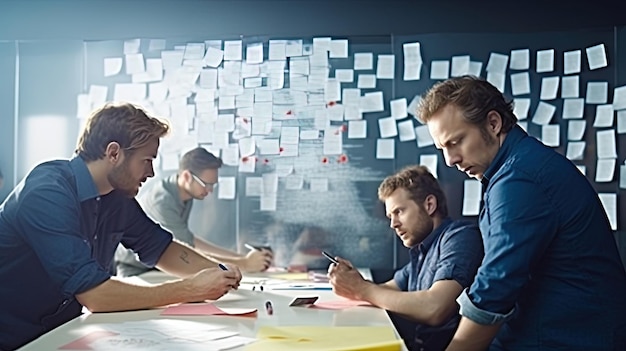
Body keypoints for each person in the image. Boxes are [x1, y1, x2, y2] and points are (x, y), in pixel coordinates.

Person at [0, 103, 242, 350]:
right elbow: (94, 295)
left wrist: (220, 272)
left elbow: (160, 248)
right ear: (114, 153)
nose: (150, 172)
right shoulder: (47, 193)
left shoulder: (116, 198)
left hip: (61, 333)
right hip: (15, 339)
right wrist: (189, 289)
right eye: (146, 160)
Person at [417, 75, 626, 350]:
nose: (450, 160)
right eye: (442, 148)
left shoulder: (520, 178)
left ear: (493, 123)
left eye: (456, 142)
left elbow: (496, 284)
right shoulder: (510, 169)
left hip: (567, 338)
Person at [328, 165, 484, 351]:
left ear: (429, 205)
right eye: (390, 216)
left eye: (399, 212)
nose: (393, 224)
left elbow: (435, 308)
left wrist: (361, 289)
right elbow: (386, 290)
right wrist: (352, 282)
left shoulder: (460, 237)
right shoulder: (423, 249)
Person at [115, 147, 273, 277]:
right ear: (186, 176)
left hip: (160, 266)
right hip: (137, 270)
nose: (210, 191)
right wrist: (244, 264)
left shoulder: (186, 193)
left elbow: (190, 240)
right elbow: (185, 251)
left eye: (213, 185)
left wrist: (239, 257)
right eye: (206, 184)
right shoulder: (163, 202)